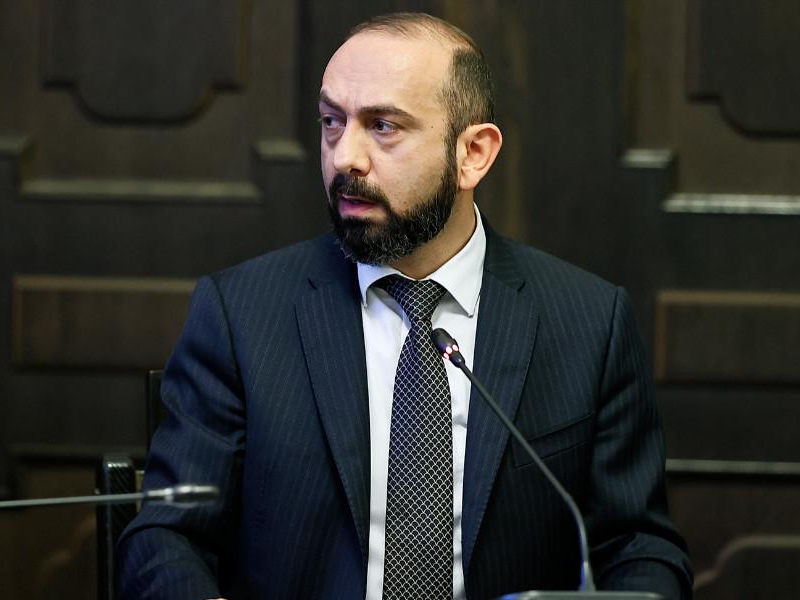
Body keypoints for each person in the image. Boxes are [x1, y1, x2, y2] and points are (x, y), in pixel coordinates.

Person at [117, 12, 692, 600]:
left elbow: (638, 549)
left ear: (473, 153)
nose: (345, 157)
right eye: (332, 122)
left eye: (383, 126)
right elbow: (165, 537)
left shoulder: (589, 324)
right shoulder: (241, 315)